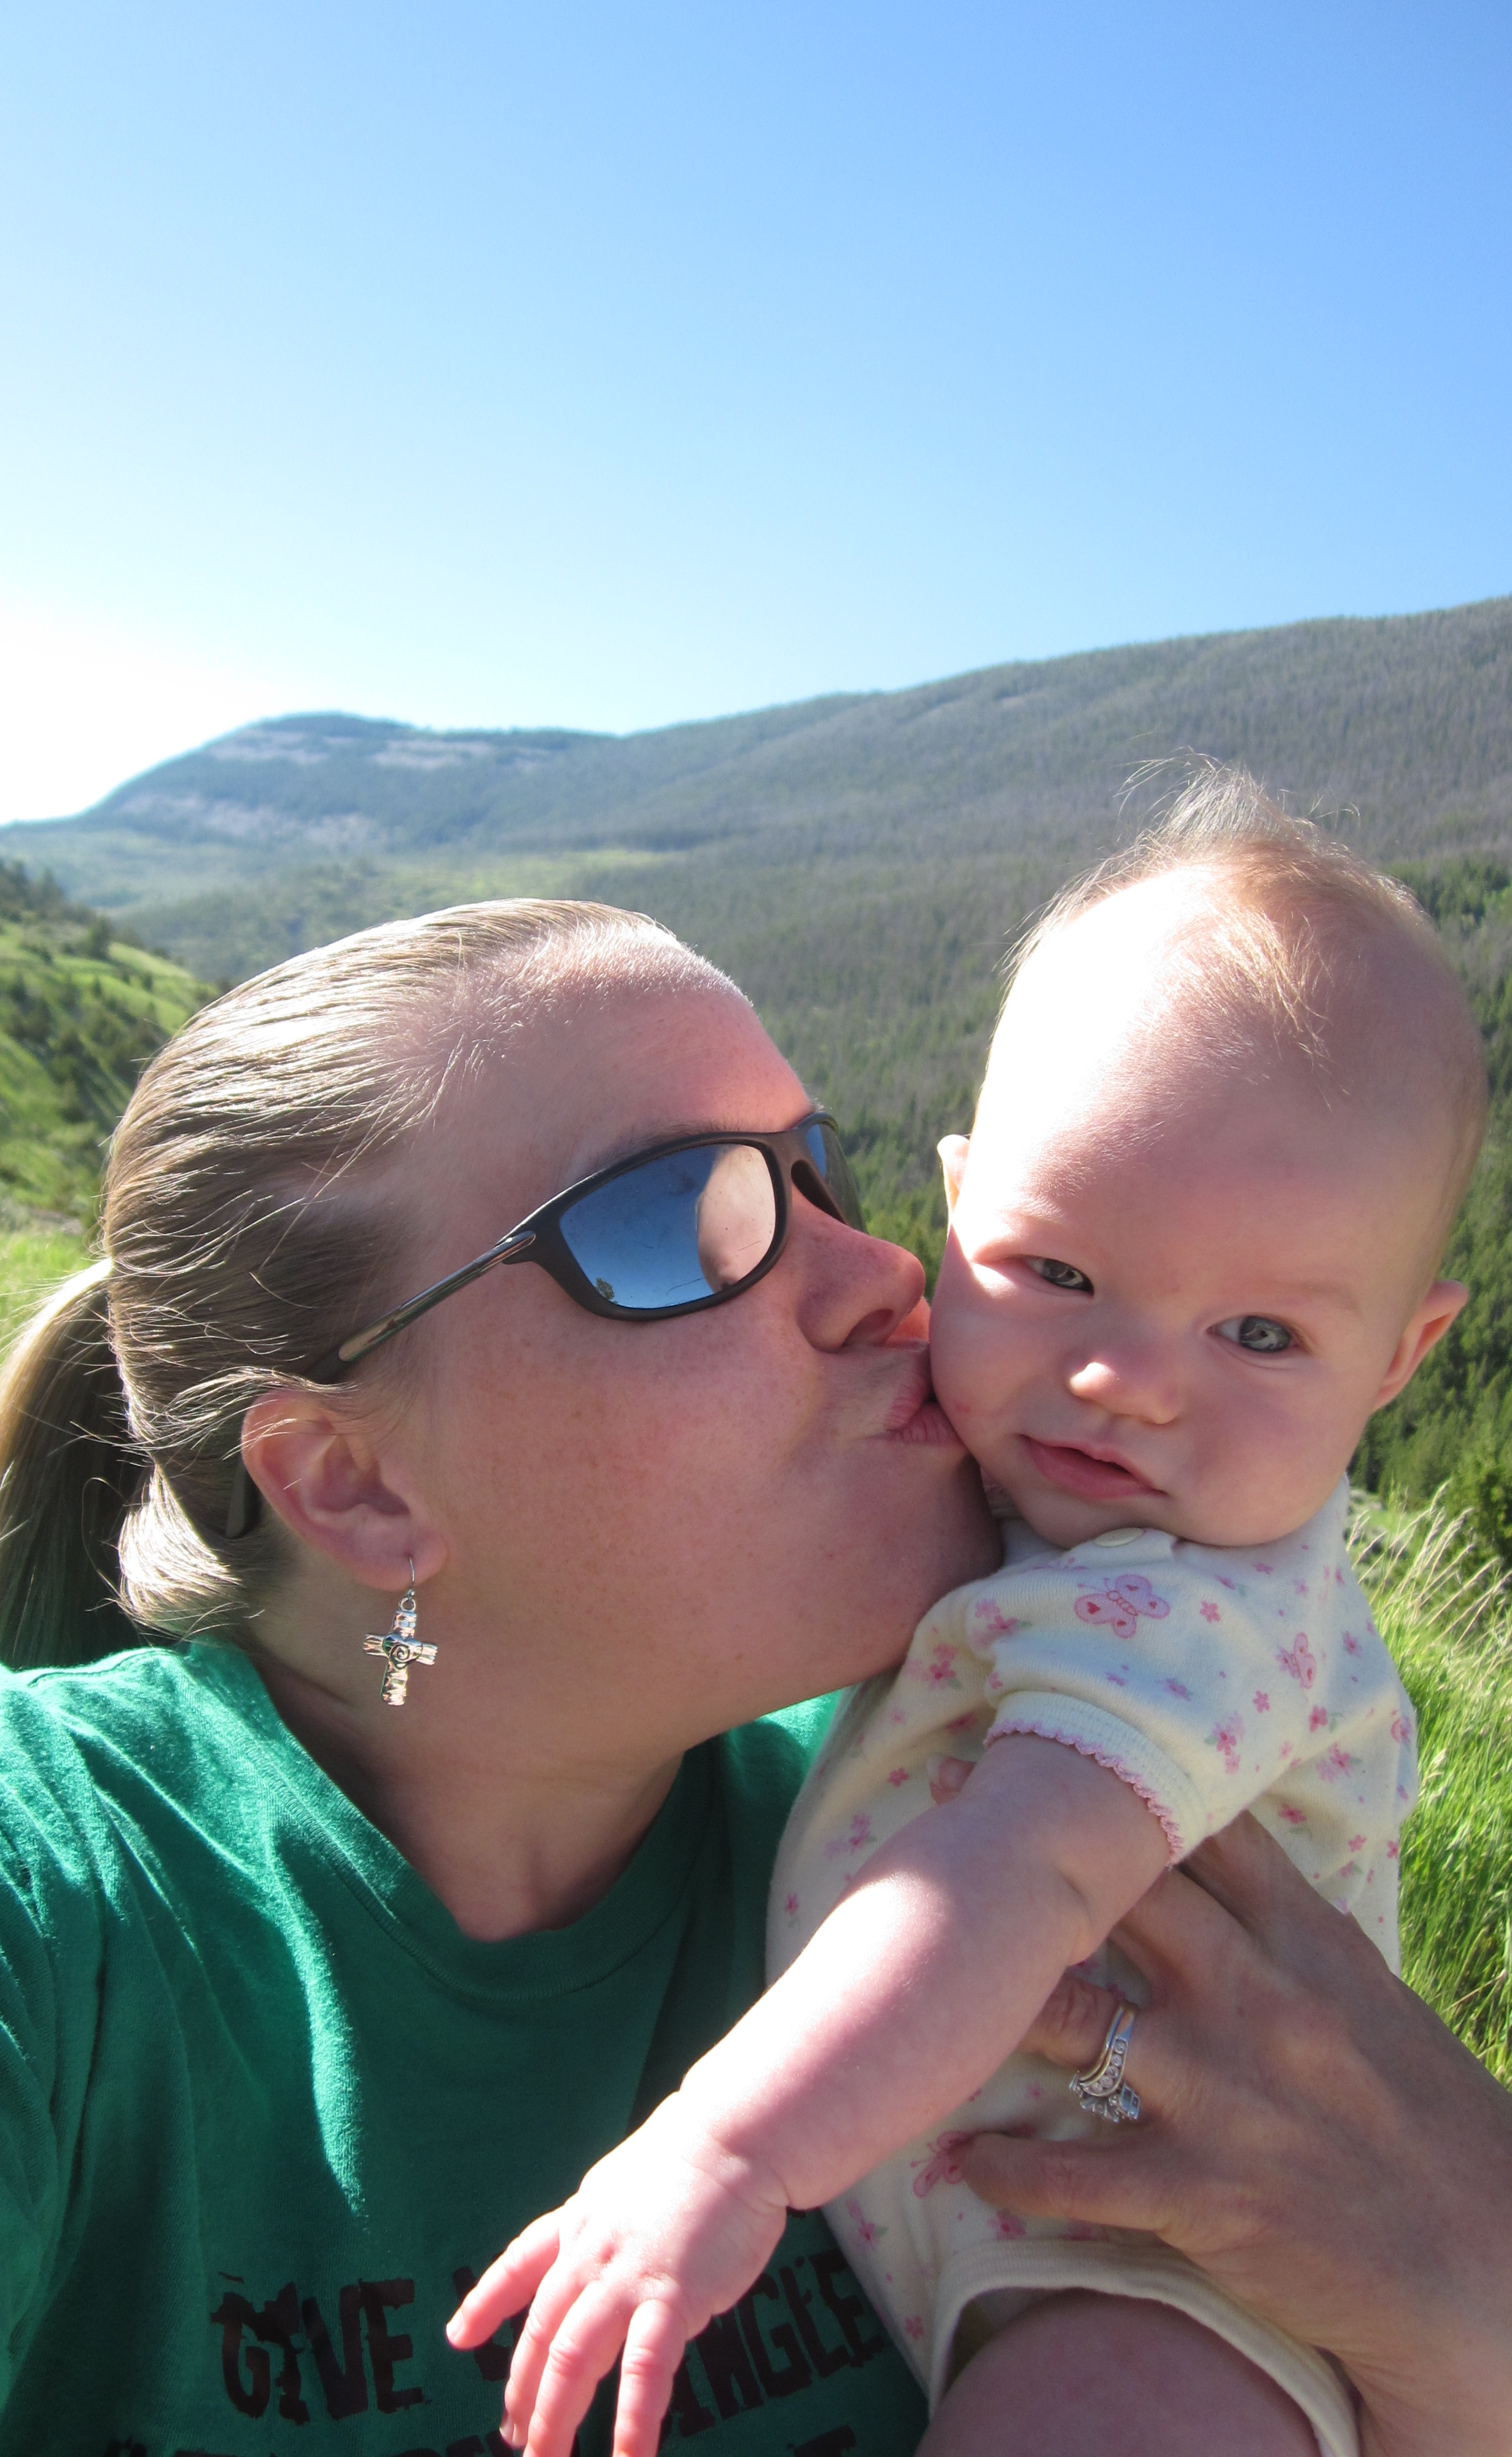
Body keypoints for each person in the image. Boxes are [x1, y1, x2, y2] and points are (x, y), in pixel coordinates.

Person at [0, 897, 1506, 2457]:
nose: (887, 1280)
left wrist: (1463, 2304)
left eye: (823, 1175)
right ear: (357, 1480)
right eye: (690, 1224)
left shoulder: (941, 1810)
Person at [448, 790, 1489, 2457]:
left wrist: (726, 2147)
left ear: (1402, 1361)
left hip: (1175, 2300)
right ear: (955, 1208)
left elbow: (1007, 1880)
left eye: (1259, 1335)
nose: (1123, 1380)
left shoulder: (1190, 1616)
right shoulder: (1060, 1533)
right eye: (1059, 1275)